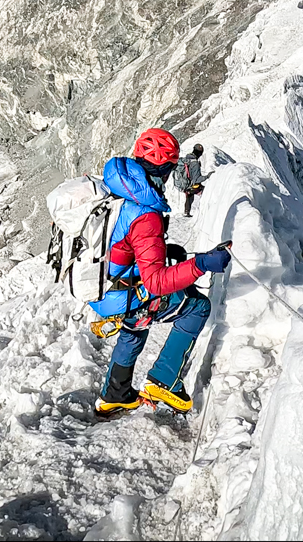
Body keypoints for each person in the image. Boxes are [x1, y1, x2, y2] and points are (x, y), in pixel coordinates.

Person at [96, 128, 231, 417]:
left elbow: (125, 242)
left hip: (105, 286)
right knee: (196, 306)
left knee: (136, 326)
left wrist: (165, 252)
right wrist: (200, 264)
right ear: (165, 170)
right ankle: (164, 381)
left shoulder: (121, 188)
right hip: (125, 293)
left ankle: (115, 393)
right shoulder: (146, 214)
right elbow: (156, 283)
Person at [173, 143, 208, 217]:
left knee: (189, 193)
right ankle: (204, 212)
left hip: (183, 184)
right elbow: (197, 179)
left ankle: (187, 211)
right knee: (205, 189)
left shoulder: (186, 159)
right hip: (189, 186)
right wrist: (208, 176)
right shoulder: (195, 163)